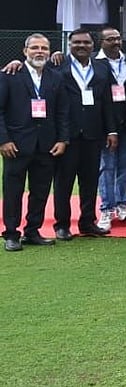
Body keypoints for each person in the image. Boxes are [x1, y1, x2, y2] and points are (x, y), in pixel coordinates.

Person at [1, 34, 70, 251]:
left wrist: (62, 139)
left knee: (40, 191)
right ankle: (11, 234)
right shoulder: (10, 75)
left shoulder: (55, 77)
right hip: (16, 145)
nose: (39, 52)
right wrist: (3, 140)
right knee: (13, 191)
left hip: (47, 145)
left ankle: (33, 231)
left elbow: (62, 112)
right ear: (25, 51)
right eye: (35, 48)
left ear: (49, 52)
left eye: (44, 48)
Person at [52, 29, 118, 239]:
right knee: (64, 182)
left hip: (93, 133)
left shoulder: (101, 68)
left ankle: (87, 222)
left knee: (89, 181)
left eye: (86, 43)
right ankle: (62, 225)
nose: (81, 46)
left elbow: (107, 101)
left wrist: (111, 130)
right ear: (69, 44)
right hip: (66, 136)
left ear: (93, 45)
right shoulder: (57, 66)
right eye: (77, 42)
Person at [96, 26, 126, 227]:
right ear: (101, 42)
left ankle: (122, 204)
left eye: (118, 38)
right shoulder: (94, 63)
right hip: (105, 124)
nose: (116, 42)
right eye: (110, 39)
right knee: (106, 167)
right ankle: (106, 208)